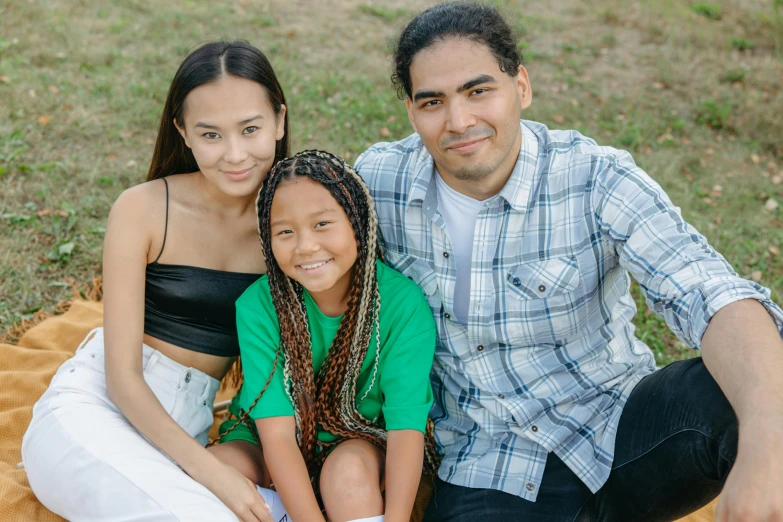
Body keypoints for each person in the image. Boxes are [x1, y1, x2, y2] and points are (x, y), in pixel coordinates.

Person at [355, 3, 783, 521]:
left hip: (616, 426)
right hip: (488, 463)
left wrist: (766, 448)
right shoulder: (378, 183)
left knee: (750, 398)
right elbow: (293, 241)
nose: (459, 120)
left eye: (478, 91)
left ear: (522, 87)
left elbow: (710, 294)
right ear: (410, 110)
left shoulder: (594, 178)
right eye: (432, 101)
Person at [21, 41, 289, 522]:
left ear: (279, 122)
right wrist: (213, 474)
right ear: (183, 132)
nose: (235, 154)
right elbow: (122, 379)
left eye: (251, 129)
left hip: (184, 430)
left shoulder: (292, 226)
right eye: (211, 134)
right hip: (94, 411)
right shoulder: (144, 208)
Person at [212, 150, 438, 522]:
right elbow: (278, 437)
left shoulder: (402, 306)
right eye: (285, 231)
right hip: (265, 440)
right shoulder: (259, 306)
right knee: (211, 475)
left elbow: (405, 430)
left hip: (357, 438)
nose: (305, 246)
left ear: (357, 222)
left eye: (322, 224)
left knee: (348, 476)